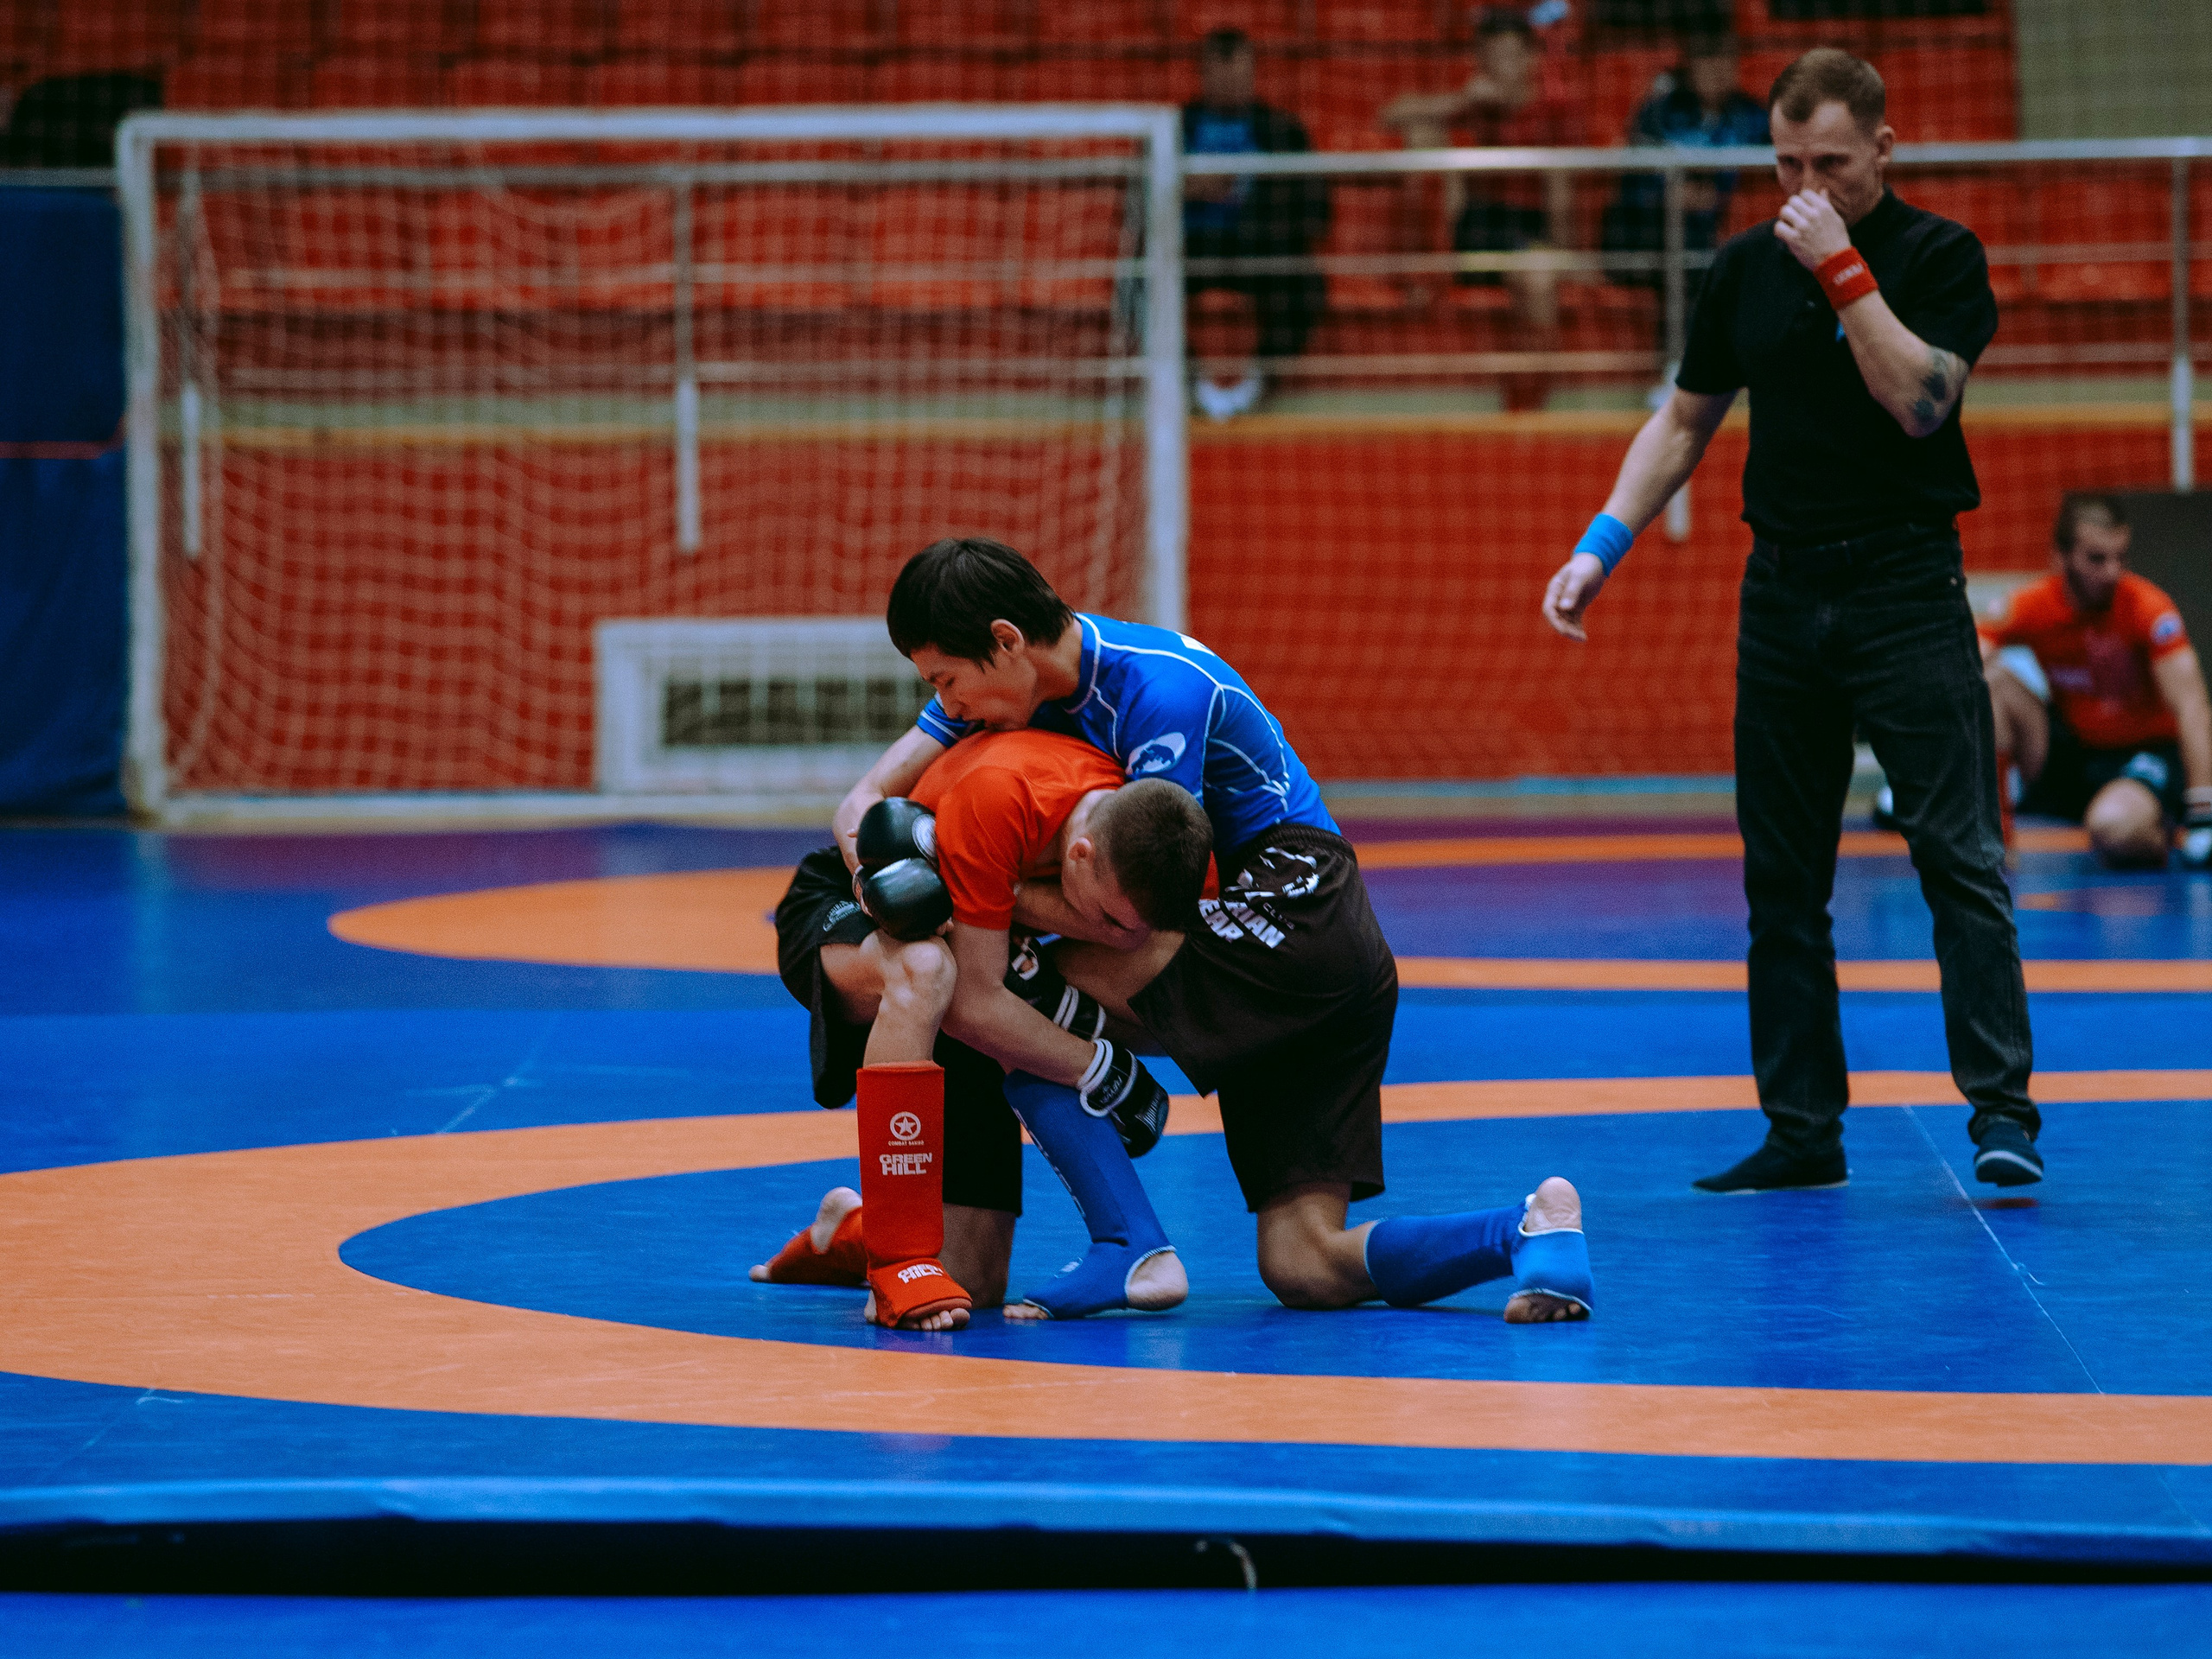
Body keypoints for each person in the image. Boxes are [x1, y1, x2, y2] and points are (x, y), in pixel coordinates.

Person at [809, 537, 1595, 1323]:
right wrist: (876, 877)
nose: (946, 705)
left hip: (1288, 904)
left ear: (1007, 642)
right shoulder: (1013, 681)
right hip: (1328, 950)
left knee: (1006, 992)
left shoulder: (1157, 693)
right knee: (1305, 1264)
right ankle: (1532, 1235)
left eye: (947, 681)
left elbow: (1123, 908)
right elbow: (865, 802)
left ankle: (1132, 1246)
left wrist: (969, 894)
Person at [1540, 48, 2044, 1192]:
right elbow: (1682, 423)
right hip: (1783, 593)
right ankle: (1802, 1130)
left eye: (1830, 163)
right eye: (1786, 163)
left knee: (1958, 857)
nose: (1807, 186)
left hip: (1907, 586)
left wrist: (1843, 270)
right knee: (1782, 876)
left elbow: (1920, 402)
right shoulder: (1740, 270)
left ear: (1882, 150)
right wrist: (1598, 545)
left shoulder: (1937, 256)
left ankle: (2002, 1116)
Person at [761, 735, 1212, 1328]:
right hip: (863, 906)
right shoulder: (998, 798)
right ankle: (899, 1258)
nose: (1115, 936)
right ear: (1077, 854)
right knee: (925, 970)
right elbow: (977, 1007)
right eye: (1105, 919)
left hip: (969, 952)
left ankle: (845, 1233)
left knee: (975, 1278)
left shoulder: (1138, 825)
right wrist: (1097, 1068)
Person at [1975, 493, 2212, 868]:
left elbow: (2192, 705)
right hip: (2075, 753)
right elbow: (1967, 659)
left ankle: (2157, 825)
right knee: (1986, 682)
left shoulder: (2148, 608)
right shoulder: (2032, 605)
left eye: (2121, 557)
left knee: (2115, 827)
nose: (2113, 572)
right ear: (2060, 558)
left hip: (2143, 755)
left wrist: (2204, 811)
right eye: (2097, 559)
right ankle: (1995, 840)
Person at [1380, 7, 1581, 410]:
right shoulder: (1472, 105)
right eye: (1490, 58)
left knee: (1538, 279)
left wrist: (1565, 255)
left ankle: (1532, 400)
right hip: (1477, 229)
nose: (1500, 67)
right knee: (1423, 133)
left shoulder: (1552, 112)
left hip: (1529, 233)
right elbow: (1390, 115)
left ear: (1531, 59)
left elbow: (1560, 200)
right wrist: (1458, 102)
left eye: (1509, 56)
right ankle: (1425, 269)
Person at [1181, 28, 1332, 423]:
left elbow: (1317, 209)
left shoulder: (1284, 130)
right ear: (1203, 73)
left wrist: (1256, 195)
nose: (1230, 78)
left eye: (1239, 69)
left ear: (1252, 72)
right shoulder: (1173, 130)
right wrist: (1179, 190)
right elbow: (1134, 207)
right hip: (1187, 248)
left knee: (1305, 282)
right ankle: (1186, 382)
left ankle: (1258, 383)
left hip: (1259, 244)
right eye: (1220, 68)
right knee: (1133, 282)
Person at [1600, 29, 1770, 308]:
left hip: (1711, 233)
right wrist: (1669, 196)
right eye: (1707, 60)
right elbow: (1633, 184)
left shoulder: (1753, 117)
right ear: (1690, 67)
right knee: (1691, 249)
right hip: (1650, 231)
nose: (1717, 69)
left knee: (1704, 255)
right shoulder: (1659, 114)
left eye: (1725, 59)